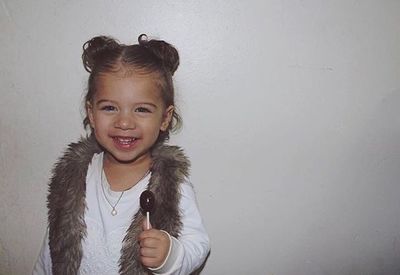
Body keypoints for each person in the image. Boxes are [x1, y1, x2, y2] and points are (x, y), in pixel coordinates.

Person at [33, 34, 210, 275]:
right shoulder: (74, 175)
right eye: (109, 108)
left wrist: (170, 255)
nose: (124, 122)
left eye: (141, 109)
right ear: (91, 113)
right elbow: (53, 245)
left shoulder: (173, 185)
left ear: (165, 118)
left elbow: (198, 244)